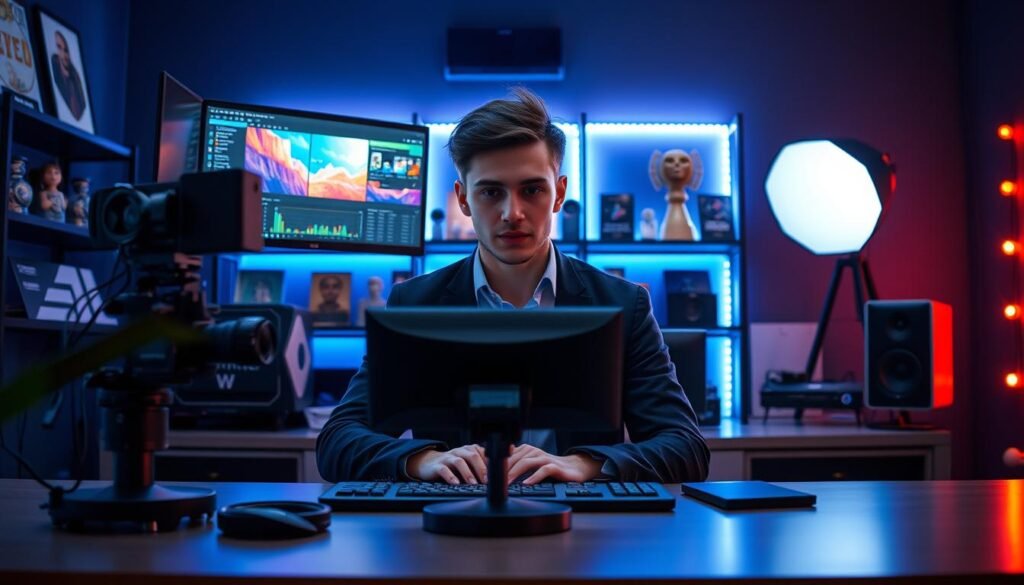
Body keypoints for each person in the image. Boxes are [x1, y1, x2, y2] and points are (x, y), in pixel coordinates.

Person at [316, 88, 709, 485]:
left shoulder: (625, 304)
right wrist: (422, 461)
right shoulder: (414, 302)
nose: (512, 213)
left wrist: (584, 465)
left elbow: (685, 446)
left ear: (559, 193)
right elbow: (337, 441)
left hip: (583, 532)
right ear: (463, 199)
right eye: (491, 192)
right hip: (451, 526)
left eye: (532, 189)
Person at [50, 30, 86, 121]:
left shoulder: (75, 77)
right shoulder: (56, 73)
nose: (63, 55)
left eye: (66, 50)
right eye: (59, 48)